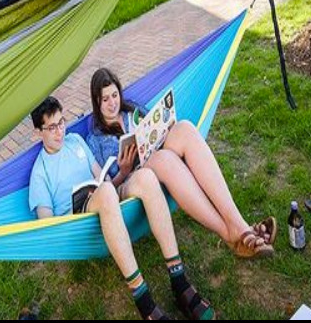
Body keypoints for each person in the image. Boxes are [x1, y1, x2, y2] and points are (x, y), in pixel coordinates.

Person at [29, 97, 216, 321]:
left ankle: (179, 280)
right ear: (38, 133)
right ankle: (144, 302)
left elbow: (101, 175)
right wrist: (75, 219)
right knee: (107, 192)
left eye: (61, 122)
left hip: (104, 195)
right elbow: (47, 225)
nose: (60, 131)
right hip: (79, 218)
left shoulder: (75, 140)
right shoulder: (40, 172)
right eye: (51, 128)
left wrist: (121, 173)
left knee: (145, 177)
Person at [86, 68, 277, 259]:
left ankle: (239, 224)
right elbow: (105, 189)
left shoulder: (132, 111)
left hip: (157, 156)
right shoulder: (94, 139)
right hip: (134, 181)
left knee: (184, 128)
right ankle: (230, 233)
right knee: (163, 159)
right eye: (105, 99)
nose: (113, 103)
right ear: (96, 101)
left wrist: (164, 128)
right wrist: (123, 170)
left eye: (114, 95)